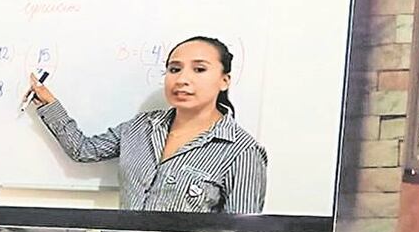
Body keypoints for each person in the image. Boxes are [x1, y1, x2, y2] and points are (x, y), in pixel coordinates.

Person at [28, 35, 267, 214]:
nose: (182, 79)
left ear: (224, 81)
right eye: (174, 69)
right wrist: (49, 104)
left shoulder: (242, 151)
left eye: (199, 69)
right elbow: (83, 150)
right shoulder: (141, 127)